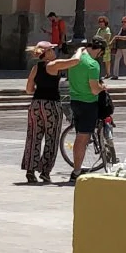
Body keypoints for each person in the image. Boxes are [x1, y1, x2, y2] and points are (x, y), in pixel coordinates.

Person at [53, 40, 107, 183]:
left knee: (79, 135)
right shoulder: (92, 64)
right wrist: (103, 87)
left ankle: (77, 168)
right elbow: (94, 89)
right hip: (88, 103)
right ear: (99, 50)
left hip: (75, 100)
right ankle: (76, 171)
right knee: (82, 138)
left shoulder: (74, 61)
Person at [22, 41, 62, 183]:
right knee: (51, 138)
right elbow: (73, 62)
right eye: (52, 49)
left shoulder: (36, 68)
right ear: (48, 52)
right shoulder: (54, 65)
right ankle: (45, 171)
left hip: (36, 104)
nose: (55, 51)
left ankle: (30, 170)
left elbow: (28, 89)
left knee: (33, 137)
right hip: (51, 105)